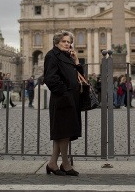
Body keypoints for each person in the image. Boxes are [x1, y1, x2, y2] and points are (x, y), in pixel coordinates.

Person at [43, 30, 82, 176]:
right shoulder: (52, 56)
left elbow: (79, 77)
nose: (67, 44)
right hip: (62, 99)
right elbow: (50, 78)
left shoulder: (68, 57)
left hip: (71, 98)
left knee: (63, 134)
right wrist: (65, 93)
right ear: (57, 42)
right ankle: (65, 164)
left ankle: (53, 164)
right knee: (63, 133)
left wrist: (77, 61)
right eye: (64, 41)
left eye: (69, 41)